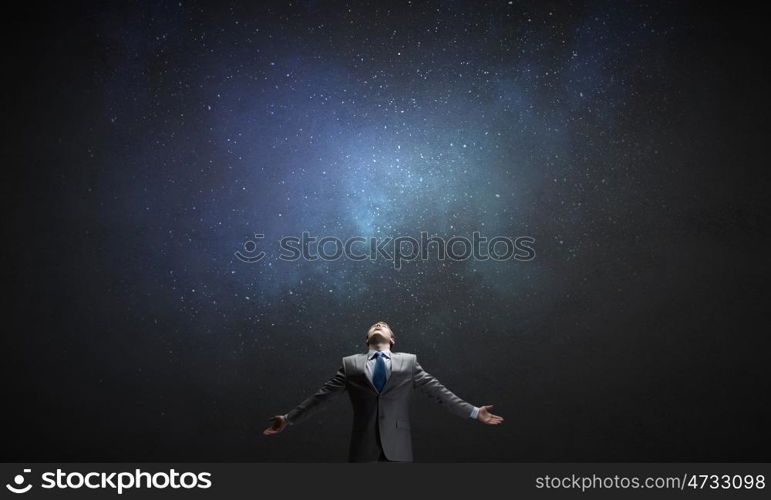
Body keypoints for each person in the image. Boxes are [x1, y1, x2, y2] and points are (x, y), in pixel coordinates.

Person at [263, 321, 504, 462]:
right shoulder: (350, 364)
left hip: (398, 448)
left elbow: (439, 392)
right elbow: (320, 397)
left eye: (384, 325)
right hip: (362, 448)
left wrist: (474, 412)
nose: (379, 324)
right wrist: (287, 419)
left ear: (392, 339)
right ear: (367, 338)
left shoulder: (409, 363)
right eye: (374, 326)